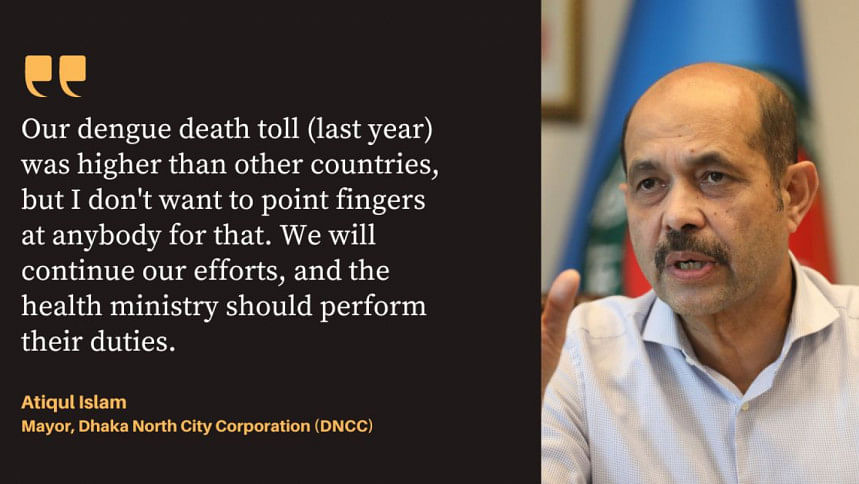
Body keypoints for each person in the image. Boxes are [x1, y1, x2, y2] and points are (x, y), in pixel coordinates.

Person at [541, 63, 858, 483]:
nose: (677, 215)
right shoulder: (574, 358)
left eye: (713, 177)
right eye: (650, 184)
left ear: (793, 195)